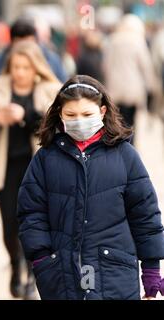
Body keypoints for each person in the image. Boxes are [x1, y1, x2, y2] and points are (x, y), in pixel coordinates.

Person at [18, 75, 164, 300]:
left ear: (102, 112)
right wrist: (41, 259)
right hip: (62, 277)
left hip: (116, 274)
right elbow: (31, 213)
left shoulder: (125, 156)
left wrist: (151, 269)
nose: (79, 120)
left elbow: (145, 214)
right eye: (71, 115)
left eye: (87, 115)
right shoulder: (45, 159)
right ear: (60, 115)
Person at [0, 40, 61, 299]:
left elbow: (54, 129)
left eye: (26, 67)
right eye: (15, 67)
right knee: (11, 223)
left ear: (36, 69)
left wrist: (26, 115)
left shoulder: (51, 91)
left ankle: (33, 275)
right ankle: (14, 264)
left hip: (38, 168)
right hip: (6, 167)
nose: (20, 72)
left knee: (37, 222)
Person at [103, 14, 156, 138]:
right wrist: (151, 86)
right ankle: (130, 146)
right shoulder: (137, 41)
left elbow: (105, 65)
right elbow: (146, 66)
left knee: (118, 120)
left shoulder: (112, 40)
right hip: (133, 87)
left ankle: (119, 144)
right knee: (131, 122)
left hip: (115, 86)